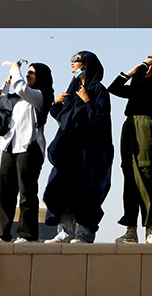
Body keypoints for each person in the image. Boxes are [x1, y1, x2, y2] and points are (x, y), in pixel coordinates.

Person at [43, 51, 113, 243]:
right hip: (69, 151)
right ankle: (65, 231)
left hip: (89, 152)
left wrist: (87, 100)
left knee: (85, 193)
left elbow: (100, 119)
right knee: (61, 189)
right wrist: (54, 105)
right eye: (72, 60)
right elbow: (64, 119)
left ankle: (83, 234)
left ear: (87, 64)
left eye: (77, 61)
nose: (73, 64)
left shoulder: (98, 90)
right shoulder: (73, 89)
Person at [109, 56, 152, 245]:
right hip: (129, 125)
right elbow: (114, 88)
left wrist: (142, 69)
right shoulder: (140, 83)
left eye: (149, 63)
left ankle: (149, 228)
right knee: (129, 177)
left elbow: (140, 86)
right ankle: (131, 229)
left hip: (145, 125)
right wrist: (130, 72)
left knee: (145, 175)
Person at [0, 61, 54, 243]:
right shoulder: (20, 100)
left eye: (32, 73)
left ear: (41, 76)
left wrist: (15, 68)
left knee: (27, 192)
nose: (28, 76)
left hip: (29, 147)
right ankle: (3, 233)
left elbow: (21, 88)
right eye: (27, 72)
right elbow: (1, 101)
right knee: (4, 191)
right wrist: (6, 82)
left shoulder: (40, 96)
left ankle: (26, 235)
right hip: (10, 146)